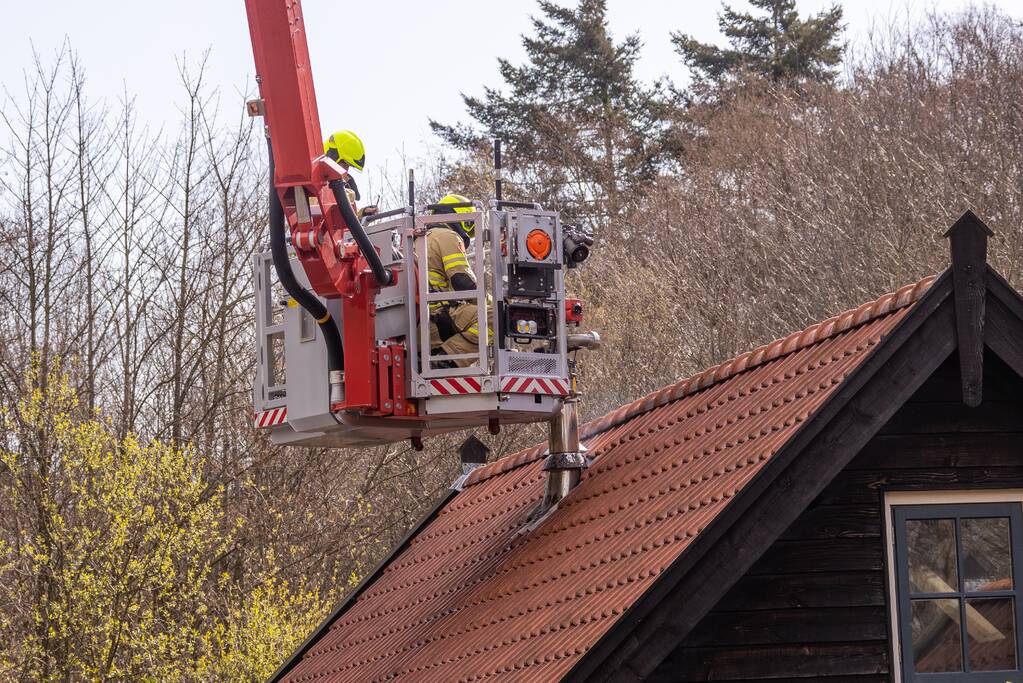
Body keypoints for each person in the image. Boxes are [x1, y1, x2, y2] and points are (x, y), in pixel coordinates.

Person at [423, 193, 483, 367]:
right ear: (464, 220)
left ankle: (439, 356)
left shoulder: (418, 238)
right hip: (437, 319)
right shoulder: (448, 236)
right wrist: (489, 300)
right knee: (496, 316)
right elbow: (462, 280)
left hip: (418, 325)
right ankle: (446, 360)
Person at [323, 130, 377, 218]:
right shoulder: (317, 185)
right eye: (345, 164)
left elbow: (345, 218)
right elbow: (322, 208)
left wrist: (363, 213)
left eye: (349, 166)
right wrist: (344, 195)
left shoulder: (334, 186)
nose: (346, 171)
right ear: (332, 157)